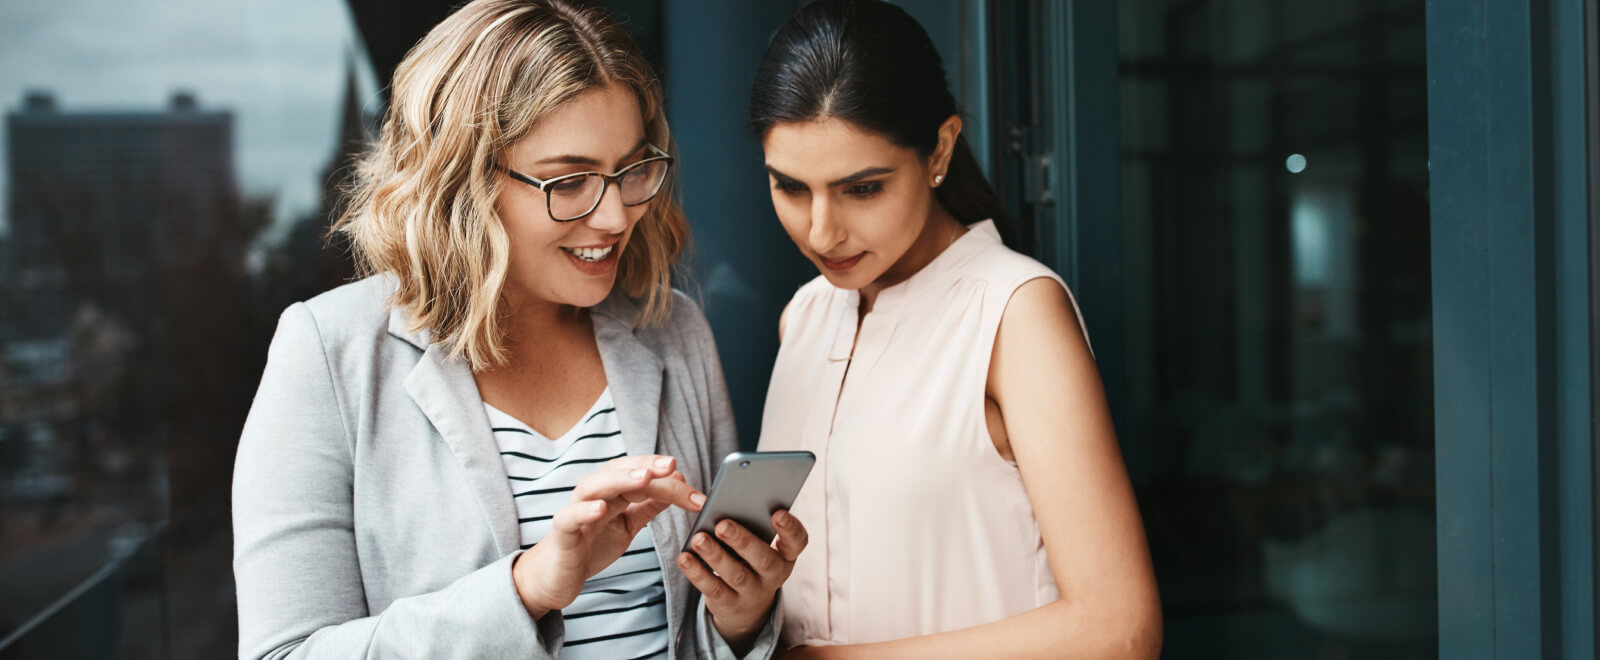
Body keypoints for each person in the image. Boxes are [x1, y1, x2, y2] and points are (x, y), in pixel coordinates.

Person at [231, 1, 805, 658]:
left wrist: (740, 614)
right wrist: (526, 587)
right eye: (570, 181)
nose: (616, 215)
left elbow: (694, 638)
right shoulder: (329, 354)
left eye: (630, 170)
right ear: (463, 182)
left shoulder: (671, 328)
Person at [749, 1, 1162, 657]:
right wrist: (744, 617)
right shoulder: (804, 315)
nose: (820, 231)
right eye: (791, 187)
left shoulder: (1014, 313)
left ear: (939, 148)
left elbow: (1120, 630)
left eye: (862, 188)